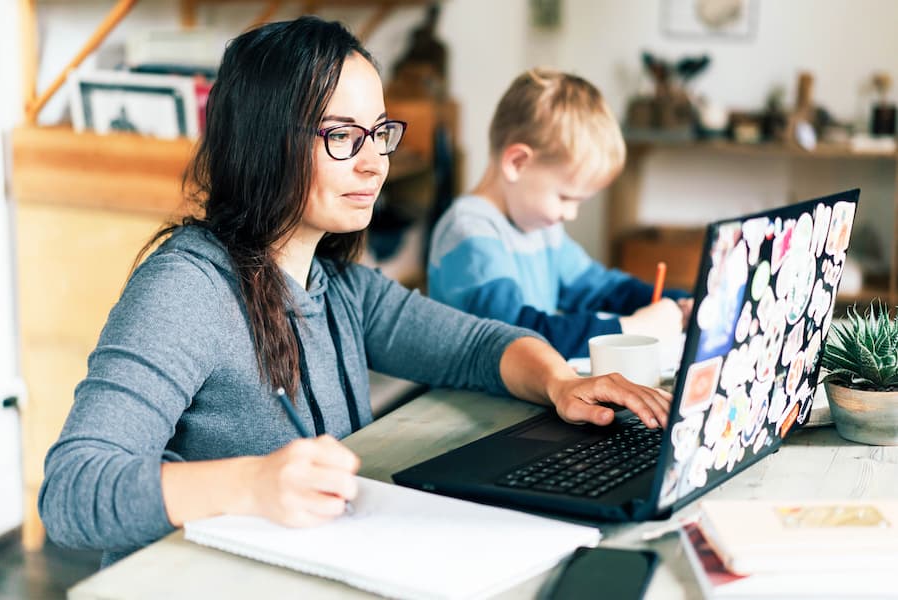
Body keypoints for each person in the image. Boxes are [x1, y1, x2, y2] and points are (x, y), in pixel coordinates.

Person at [38, 18, 671, 567]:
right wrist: (252, 483)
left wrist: (559, 382)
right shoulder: (186, 290)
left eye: (378, 133)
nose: (374, 162)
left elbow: (476, 345)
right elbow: (70, 492)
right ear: (267, 141)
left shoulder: (339, 287)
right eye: (342, 136)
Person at [427, 69, 693, 359]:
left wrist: (679, 303)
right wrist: (630, 328)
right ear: (517, 163)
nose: (571, 213)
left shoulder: (540, 227)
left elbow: (600, 289)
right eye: (565, 197)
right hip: (468, 400)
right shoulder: (469, 232)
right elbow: (519, 335)